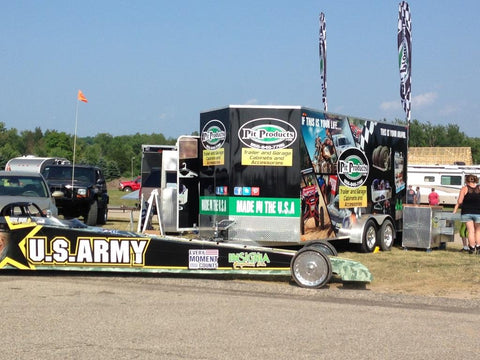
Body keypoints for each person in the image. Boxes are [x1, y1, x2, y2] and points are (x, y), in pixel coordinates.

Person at [453, 174, 480, 254]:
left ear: (466, 180)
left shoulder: (464, 188)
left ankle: (471, 248)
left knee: (470, 231)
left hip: (467, 212)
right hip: (478, 212)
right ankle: (478, 246)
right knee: (478, 231)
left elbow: (460, 201)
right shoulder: (479, 188)